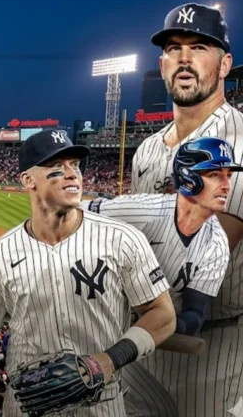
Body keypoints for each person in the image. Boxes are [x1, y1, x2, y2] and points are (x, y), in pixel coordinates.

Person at [0, 130, 176, 416]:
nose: (72, 173)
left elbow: (163, 314)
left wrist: (108, 360)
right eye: (56, 166)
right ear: (27, 180)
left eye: (74, 164)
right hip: (27, 407)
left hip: (103, 406)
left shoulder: (122, 239)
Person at [130, 3, 243, 416]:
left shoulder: (241, 142)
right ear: (162, 64)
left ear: (225, 63)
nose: (184, 57)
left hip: (213, 350)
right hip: (144, 345)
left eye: (199, 47)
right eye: (174, 48)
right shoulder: (145, 151)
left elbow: (203, 258)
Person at [83, 137, 239, 415]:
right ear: (189, 178)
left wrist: (149, 320)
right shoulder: (143, 209)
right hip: (85, 312)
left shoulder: (215, 244)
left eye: (228, 175)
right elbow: (75, 215)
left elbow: (193, 318)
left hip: (123, 337)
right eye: (215, 174)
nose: (227, 185)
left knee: (160, 410)